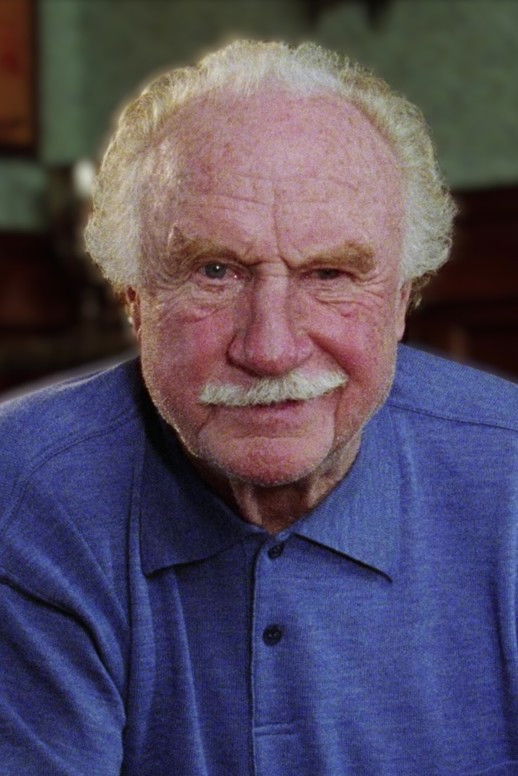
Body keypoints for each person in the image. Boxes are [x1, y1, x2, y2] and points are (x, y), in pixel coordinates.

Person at [0, 40, 516, 776]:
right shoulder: (24, 487)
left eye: (330, 274)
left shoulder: (511, 479)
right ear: (135, 298)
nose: (271, 349)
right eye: (215, 271)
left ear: (402, 301)